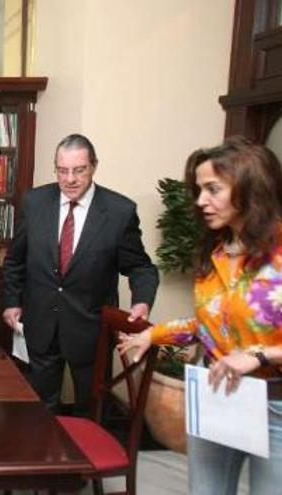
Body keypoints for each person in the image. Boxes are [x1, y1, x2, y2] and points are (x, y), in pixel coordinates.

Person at [119, 137, 282, 494]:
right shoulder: (217, 252)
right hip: (218, 391)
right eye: (199, 189)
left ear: (250, 187)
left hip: (275, 404)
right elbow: (211, 323)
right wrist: (152, 335)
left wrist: (260, 355)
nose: (200, 201)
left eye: (212, 189)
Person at [1, 133, 159, 413]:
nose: (70, 179)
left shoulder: (119, 211)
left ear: (94, 167)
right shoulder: (35, 202)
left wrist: (142, 301)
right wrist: (12, 301)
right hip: (40, 325)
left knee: (92, 409)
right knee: (40, 409)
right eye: (62, 170)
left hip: (91, 331)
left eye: (79, 170)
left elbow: (140, 267)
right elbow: (16, 259)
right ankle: (43, 455)